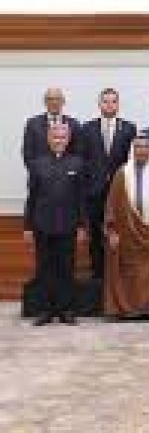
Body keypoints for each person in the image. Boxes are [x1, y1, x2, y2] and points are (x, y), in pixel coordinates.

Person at [103, 133, 149, 322]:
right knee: (129, 272)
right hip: (127, 233)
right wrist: (112, 230)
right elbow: (111, 204)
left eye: (145, 147)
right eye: (137, 147)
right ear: (132, 150)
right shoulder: (121, 173)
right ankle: (129, 309)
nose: (141, 150)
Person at [23, 123, 87, 326]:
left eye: (62, 137)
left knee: (66, 268)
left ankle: (66, 310)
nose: (59, 141)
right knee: (44, 268)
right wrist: (27, 227)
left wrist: (82, 226)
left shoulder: (77, 163)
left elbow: (81, 198)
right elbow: (32, 198)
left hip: (68, 225)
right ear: (49, 139)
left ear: (68, 140)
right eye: (55, 137)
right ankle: (45, 310)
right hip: (42, 224)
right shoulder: (37, 164)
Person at [79, 87, 137, 279]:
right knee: (96, 235)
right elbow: (82, 160)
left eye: (113, 101)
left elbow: (131, 162)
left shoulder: (129, 128)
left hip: (119, 192)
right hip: (94, 192)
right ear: (99, 104)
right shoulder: (87, 128)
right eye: (105, 101)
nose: (109, 105)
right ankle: (98, 275)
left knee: (119, 233)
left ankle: (118, 275)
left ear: (118, 104)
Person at [22, 87, 81, 169]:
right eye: (50, 99)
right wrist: (37, 171)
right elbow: (27, 153)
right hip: (40, 174)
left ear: (63, 101)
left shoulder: (74, 124)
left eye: (57, 99)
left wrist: (70, 171)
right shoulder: (33, 124)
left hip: (68, 174)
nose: (54, 102)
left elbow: (78, 152)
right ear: (45, 102)